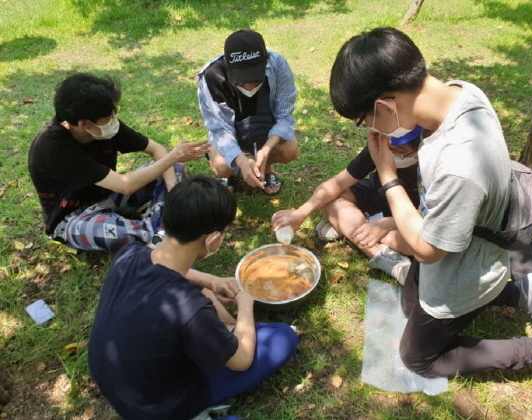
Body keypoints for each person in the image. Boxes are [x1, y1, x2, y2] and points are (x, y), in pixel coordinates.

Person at [329, 27, 532, 381]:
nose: (369, 129)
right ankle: (518, 291)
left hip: (462, 271)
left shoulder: (460, 165)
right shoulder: (460, 92)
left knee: (417, 358)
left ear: (384, 105)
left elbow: (427, 250)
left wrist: (388, 176)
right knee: (410, 305)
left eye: (366, 120)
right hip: (466, 242)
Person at [88, 175, 298, 419]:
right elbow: (241, 361)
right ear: (213, 239)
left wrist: (210, 280)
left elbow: (162, 263)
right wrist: (245, 305)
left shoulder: (129, 253)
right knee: (283, 336)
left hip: (120, 385)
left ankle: (229, 334)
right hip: (162, 407)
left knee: (205, 293)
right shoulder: (189, 309)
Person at [28, 72, 210, 252]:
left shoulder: (104, 126)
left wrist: (173, 191)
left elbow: (156, 150)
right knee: (116, 233)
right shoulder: (54, 148)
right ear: (84, 124)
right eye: (109, 116)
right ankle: (161, 230)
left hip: (110, 196)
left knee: (173, 168)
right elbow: (126, 185)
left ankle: (160, 231)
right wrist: (174, 156)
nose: (114, 118)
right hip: (73, 220)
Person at [272, 127, 422, 284]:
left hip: (409, 215)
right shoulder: (380, 148)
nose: (391, 154)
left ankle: (348, 226)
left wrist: (386, 224)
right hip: (375, 194)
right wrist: (301, 212)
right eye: (389, 148)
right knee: (327, 196)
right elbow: (336, 184)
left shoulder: (433, 163)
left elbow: (428, 217)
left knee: (416, 242)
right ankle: (379, 254)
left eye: (400, 151)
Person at [197, 29, 298, 195]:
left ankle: (265, 168)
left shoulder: (277, 64)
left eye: (255, 79)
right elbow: (220, 129)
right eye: (243, 81)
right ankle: (234, 172)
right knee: (222, 166)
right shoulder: (212, 76)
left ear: (265, 62)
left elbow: (284, 115)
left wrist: (266, 150)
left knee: (289, 150)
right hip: (230, 131)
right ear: (229, 67)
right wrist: (241, 160)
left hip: (265, 126)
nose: (250, 87)